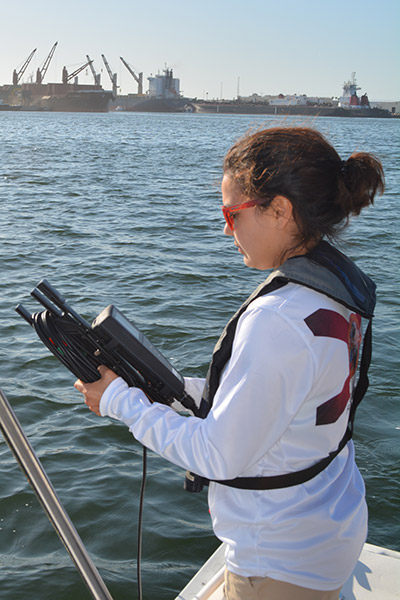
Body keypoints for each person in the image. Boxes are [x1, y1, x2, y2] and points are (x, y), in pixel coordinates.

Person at [75, 127, 384, 600]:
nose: (224, 229)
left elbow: (217, 456)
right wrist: (176, 388)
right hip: (328, 520)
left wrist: (120, 400)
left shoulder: (278, 318)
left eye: (231, 213)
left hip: (280, 560)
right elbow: (284, 402)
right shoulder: (331, 291)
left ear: (279, 210)